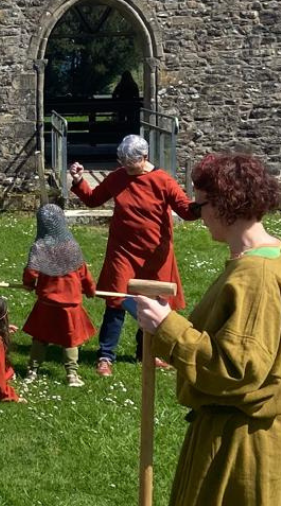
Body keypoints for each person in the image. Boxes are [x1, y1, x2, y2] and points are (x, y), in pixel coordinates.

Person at [134, 152, 281, 506]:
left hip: (243, 442)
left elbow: (238, 369)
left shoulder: (257, 276)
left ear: (224, 205)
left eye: (198, 206)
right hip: (267, 426)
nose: (197, 216)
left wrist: (166, 327)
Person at [69, 134, 198, 377]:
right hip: (123, 251)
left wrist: (203, 203)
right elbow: (93, 199)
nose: (126, 167)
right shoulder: (118, 177)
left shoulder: (163, 180)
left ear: (144, 157)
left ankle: (147, 352)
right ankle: (105, 356)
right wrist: (78, 180)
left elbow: (186, 211)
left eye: (131, 163)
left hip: (155, 254)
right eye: (123, 162)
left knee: (153, 303)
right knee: (116, 301)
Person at [20, 204, 96, 387]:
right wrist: (90, 289)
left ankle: (32, 371)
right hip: (70, 304)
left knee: (40, 337)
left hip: (47, 302)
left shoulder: (40, 247)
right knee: (70, 339)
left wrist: (28, 284)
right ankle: (72, 375)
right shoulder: (72, 247)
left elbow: (31, 272)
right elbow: (84, 273)